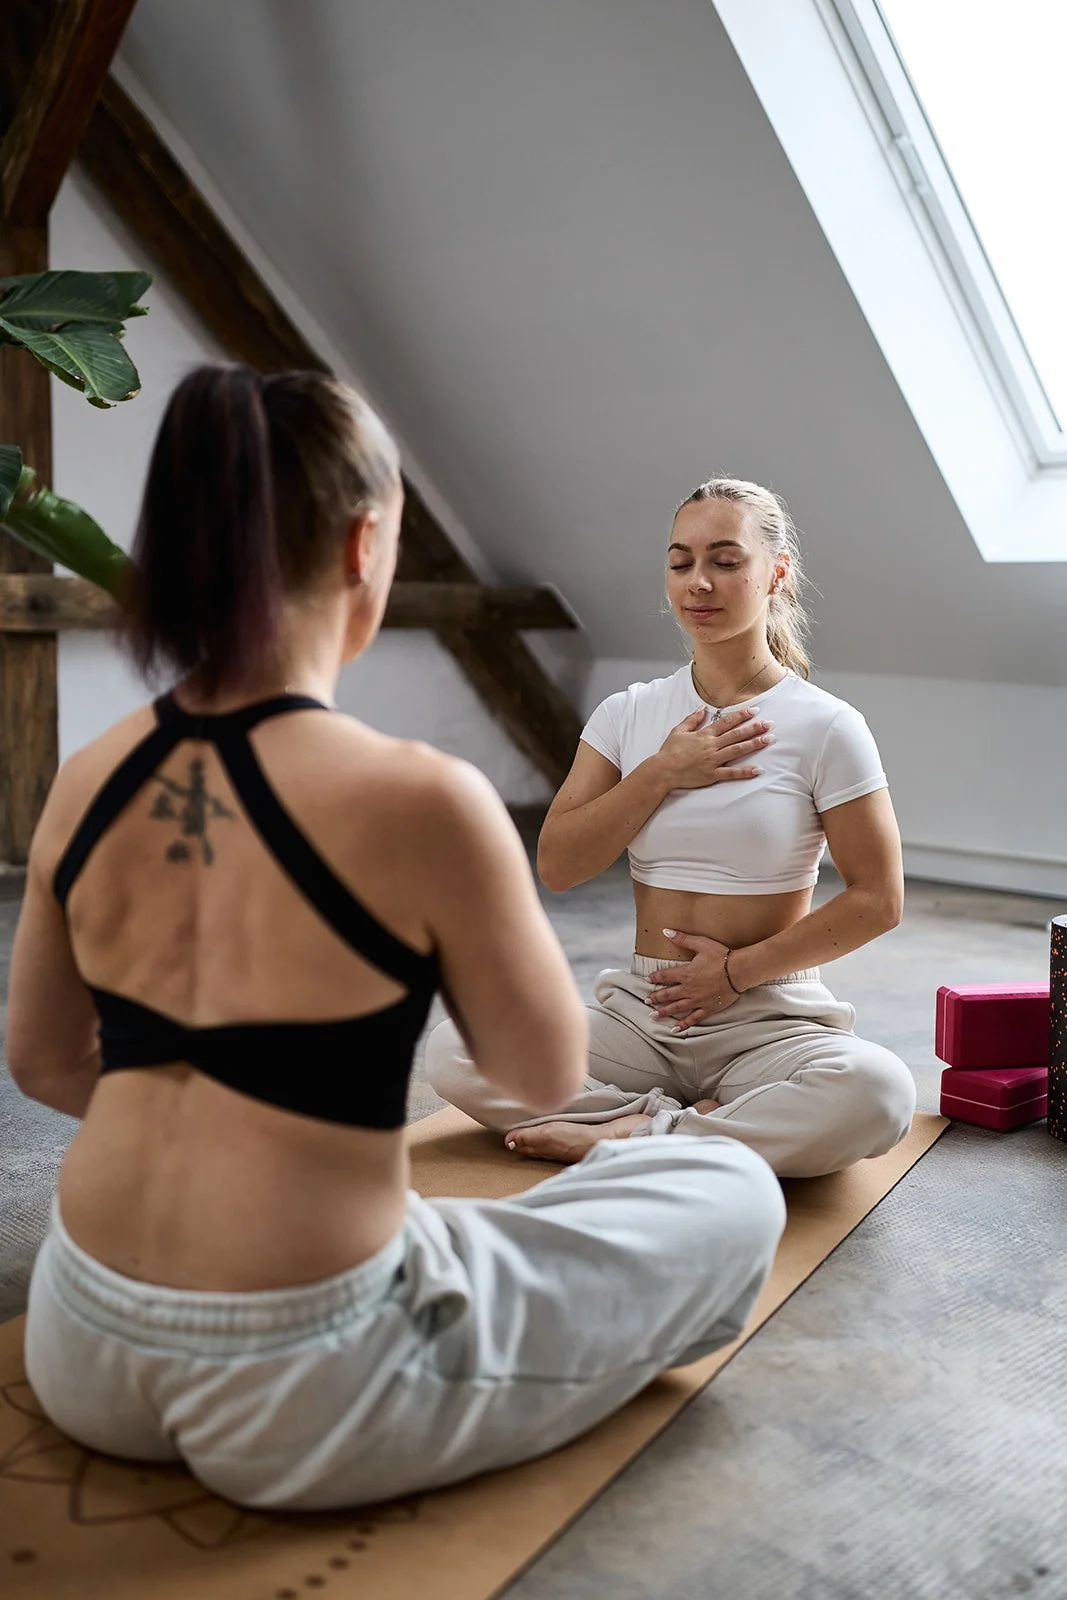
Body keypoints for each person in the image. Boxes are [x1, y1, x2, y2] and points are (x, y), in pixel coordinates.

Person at [7, 373, 785, 1512]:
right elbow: (534, 1072)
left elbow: (42, 1062)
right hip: (302, 1371)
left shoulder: (86, 776)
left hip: (79, 1335)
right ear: (365, 545)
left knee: (452, 1213)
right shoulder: (419, 797)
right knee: (726, 1190)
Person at [427, 477, 916, 1179]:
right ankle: (678, 1130)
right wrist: (660, 773)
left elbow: (879, 900)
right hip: (641, 1016)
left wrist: (734, 974)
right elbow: (559, 864)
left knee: (876, 1093)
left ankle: (629, 1132)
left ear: (773, 573)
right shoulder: (629, 714)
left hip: (765, 1015)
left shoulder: (827, 726)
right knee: (456, 1047)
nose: (698, 583)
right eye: (680, 560)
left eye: (724, 560)